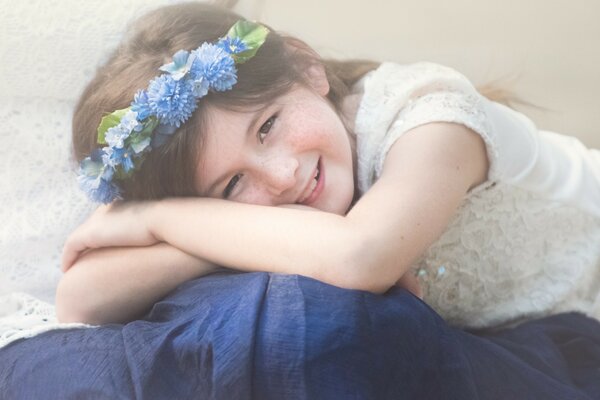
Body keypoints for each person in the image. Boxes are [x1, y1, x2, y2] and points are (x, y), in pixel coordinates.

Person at [57, 1, 600, 329]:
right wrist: (194, 236)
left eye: (267, 126)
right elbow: (81, 299)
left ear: (306, 66)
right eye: (231, 185)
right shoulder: (270, 205)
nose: (281, 176)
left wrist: (159, 221)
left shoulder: (430, 117)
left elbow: (361, 256)